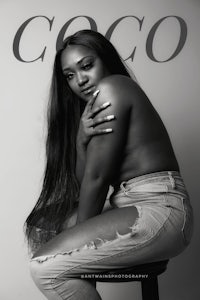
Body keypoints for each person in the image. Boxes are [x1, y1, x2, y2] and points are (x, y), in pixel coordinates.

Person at [25, 29, 193, 300]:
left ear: (106, 60)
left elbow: (98, 179)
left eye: (87, 66)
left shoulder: (113, 88)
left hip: (159, 208)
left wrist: (79, 234)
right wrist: (81, 143)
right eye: (69, 75)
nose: (80, 80)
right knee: (43, 225)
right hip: (129, 203)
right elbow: (86, 184)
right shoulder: (96, 107)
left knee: (45, 268)